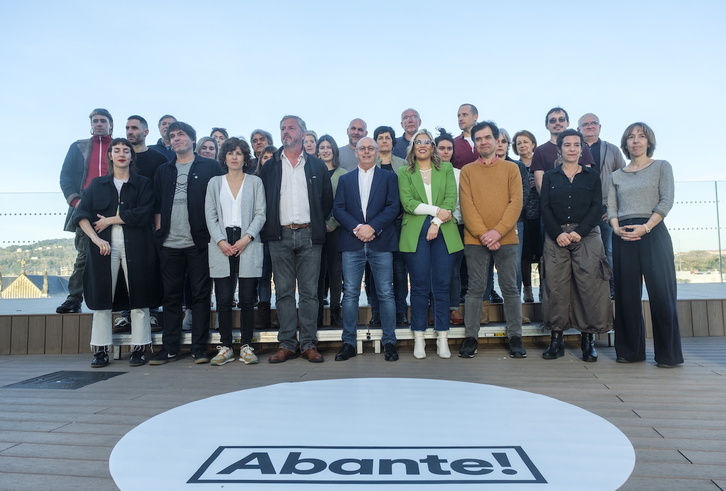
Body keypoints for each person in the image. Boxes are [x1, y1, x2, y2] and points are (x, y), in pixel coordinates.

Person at [74, 138, 161, 368]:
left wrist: (111, 220)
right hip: (104, 248)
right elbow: (81, 215)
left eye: (126, 150)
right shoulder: (97, 184)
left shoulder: (143, 183)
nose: (122, 154)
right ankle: (100, 349)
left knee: (140, 298)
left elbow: (144, 213)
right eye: (117, 150)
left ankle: (139, 348)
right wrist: (96, 239)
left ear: (132, 157)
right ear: (110, 156)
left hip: (138, 246)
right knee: (102, 298)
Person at [258, 115, 333, 363]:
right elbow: (263, 201)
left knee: (310, 293)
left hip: (309, 234)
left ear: (302, 133)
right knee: (284, 292)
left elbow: (326, 201)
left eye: (291, 128)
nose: (285, 132)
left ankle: (308, 344)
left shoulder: (317, 166)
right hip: (279, 235)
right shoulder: (270, 167)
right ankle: (287, 344)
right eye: (282, 128)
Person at [608, 122, 683, 368]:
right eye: (631, 137)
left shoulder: (662, 167)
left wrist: (646, 227)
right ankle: (630, 351)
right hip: (623, 235)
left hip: (653, 232)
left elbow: (666, 201)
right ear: (625, 143)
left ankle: (668, 355)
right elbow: (612, 208)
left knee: (662, 294)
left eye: (641, 136)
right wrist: (616, 228)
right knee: (626, 296)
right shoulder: (616, 176)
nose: (636, 140)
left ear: (649, 142)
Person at [150, 122, 224, 365]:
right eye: (172, 136)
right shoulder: (163, 170)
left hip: (200, 242)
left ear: (192, 139)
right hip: (169, 243)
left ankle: (199, 348)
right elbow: (157, 205)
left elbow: (219, 203)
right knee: (171, 298)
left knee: (200, 296)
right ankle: (169, 348)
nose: (176, 138)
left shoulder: (211, 167)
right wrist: (159, 233)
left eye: (181, 134)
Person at [540, 129, 612, 362]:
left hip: (587, 235)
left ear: (582, 149)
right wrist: (558, 233)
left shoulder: (592, 176)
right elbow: (545, 207)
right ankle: (556, 340)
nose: (572, 149)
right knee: (556, 286)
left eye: (576, 145)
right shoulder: (550, 176)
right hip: (557, 235)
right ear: (559, 149)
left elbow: (596, 207)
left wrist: (579, 232)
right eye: (567, 145)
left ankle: (588, 341)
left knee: (589, 286)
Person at [459, 121, 525, 359]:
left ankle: (515, 336)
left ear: (497, 140)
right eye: (478, 139)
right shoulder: (467, 171)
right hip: (475, 240)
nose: (483, 142)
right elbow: (467, 206)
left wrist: (497, 232)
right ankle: (471, 337)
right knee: (475, 289)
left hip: (506, 238)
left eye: (487, 137)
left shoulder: (511, 169)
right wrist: (484, 234)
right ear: (474, 144)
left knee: (510, 288)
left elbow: (515, 203)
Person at [333, 137, 400, 362]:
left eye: (371, 148)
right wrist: (357, 229)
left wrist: (373, 227)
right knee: (351, 293)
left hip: (381, 242)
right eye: (363, 148)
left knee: (385, 292)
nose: (367, 151)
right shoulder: (345, 179)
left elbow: (393, 206)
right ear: (356, 153)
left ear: (377, 152)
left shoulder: (389, 178)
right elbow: (338, 209)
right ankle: (348, 343)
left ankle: (389, 342)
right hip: (352, 243)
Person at [398, 129, 463, 359]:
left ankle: (442, 337)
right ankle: (419, 338)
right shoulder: (404, 172)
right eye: (418, 142)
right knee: (419, 286)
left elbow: (450, 199)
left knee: (442, 285)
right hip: (415, 232)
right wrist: (436, 211)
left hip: (444, 230)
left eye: (427, 141)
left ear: (433, 147)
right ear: (413, 147)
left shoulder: (446, 169)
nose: (422, 145)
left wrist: (436, 222)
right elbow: (408, 203)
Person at [205, 137, 266, 366]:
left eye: (239, 153)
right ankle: (226, 346)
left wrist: (247, 237)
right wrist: (220, 240)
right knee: (223, 298)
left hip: (247, 240)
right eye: (230, 153)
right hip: (221, 242)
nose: (234, 157)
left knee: (247, 297)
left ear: (245, 158)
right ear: (224, 157)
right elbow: (210, 214)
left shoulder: (255, 182)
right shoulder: (215, 183)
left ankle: (247, 345)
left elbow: (260, 213)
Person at [57, 108, 114, 314]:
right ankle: (74, 299)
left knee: (118, 253)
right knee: (84, 255)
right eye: (95, 121)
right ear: (91, 124)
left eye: (103, 121)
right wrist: (76, 202)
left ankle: (117, 300)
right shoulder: (78, 147)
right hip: (85, 206)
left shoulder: (119, 146)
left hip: (113, 206)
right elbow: (65, 177)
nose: (99, 124)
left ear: (110, 125)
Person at [113, 115, 167, 333]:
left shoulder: (158, 159)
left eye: (134, 128)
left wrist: (159, 225)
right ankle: (125, 314)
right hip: (122, 223)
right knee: (123, 270)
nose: (130, 131)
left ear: (146, 132)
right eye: (127, 127)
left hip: (149, 223)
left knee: (150, 269)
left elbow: (162, 194)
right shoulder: (120, 159)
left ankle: (152, 313)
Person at [578, 113, 627, 298]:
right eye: (585, 124)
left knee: (609, 250)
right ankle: (588, 290)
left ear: (600, 127)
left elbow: (623, 179)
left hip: (607, 208)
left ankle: (612, 288)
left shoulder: (612, 150)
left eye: (594, 123)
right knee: (584, 251)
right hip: (582, 209)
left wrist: (616, 208)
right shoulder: (574, 149)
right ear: (579, 129)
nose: (590, 126)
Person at [367, 125, 408, 328]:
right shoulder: (368, 164)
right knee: (373, 270)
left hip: (399, 224)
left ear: (393, 141)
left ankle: (400, 311)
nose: (384, 140)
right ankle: (376, 312)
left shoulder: (403, 164)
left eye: (388, 137)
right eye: (380, 137)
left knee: (399, 270)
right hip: (374, 226)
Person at [316, 135, 346, 328]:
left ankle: (336, 312)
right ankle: (317, 314)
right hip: (315, 231)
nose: (326, 150)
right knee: (317, 273)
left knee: (335, 272)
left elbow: (345, 202)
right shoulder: (312, 172)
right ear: (318, 151)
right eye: (322, 147)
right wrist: (319, 224)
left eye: (329, 147)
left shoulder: (344, 174)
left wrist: (332, 223)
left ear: (334, 150)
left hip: (336, 231)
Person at [435, 128, 464, 325]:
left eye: (449, 148)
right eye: (441, 148)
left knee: (453, 270)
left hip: (454, 225)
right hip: (432, 226)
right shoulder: (427, 173)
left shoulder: (459, 174)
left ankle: (453, 308)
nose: (445, 152)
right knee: (432, 270)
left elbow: (462, 202)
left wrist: (450, 218)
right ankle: (434, 308)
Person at [532, 107, 595, 193]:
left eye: (561, 119)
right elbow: (540, 186)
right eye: (553, 120)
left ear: (568, 123)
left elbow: (588, 180)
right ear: (546, 126)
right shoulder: (540, 151)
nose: (557, 123)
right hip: (551, 199)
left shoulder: (582, 147)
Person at [512, 130, 540, 303]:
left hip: (540, 214)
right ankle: (527, 290)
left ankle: (543, 289)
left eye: (525, 142)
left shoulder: (540, 163)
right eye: (519, 143)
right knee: (524, 255)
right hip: (521, 216)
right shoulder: (514, 165)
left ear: (533, 144)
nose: (522, 145)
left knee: (542, 253)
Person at [254, 144, 278, 329]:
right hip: (259, 236)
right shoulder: (254, 181)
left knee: (281, 277)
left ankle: (280, 313)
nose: (268, 161)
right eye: (265, 157)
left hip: (279, 235)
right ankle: (263, 315)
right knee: (263, 276)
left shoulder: (283, 180)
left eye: (272, 157)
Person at [452, 103, 480, 169]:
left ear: (475, 117)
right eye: (459, 116)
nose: (460, 119)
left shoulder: (486, 141)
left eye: (464, 115)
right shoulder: (453, 143)